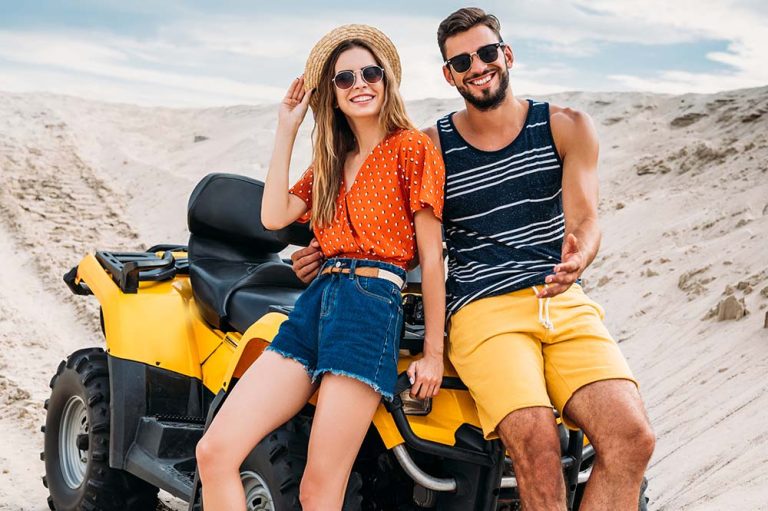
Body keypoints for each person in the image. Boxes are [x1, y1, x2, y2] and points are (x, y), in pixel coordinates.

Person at [291, 8, 655, 511]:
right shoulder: (431, 145)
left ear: (506, 54)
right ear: (449, 74)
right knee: (536, 444)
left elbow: (586, 220)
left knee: (632, 439)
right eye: (461, 61)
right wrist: (324, 254)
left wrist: (581, 255)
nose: (477, 67)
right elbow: (379, 219)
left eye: (486, 53)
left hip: (563, 302)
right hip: (484, 311)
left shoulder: (566, 127)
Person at [195, 25, 446, 511]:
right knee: (215, 451)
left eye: (370, 72)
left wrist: (433, 353)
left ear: (388, 79)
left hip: (369, 310)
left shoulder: (411, 148)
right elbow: (272, 217)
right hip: (314, 305)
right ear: (330, 93)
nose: (359, 84)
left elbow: (430, 258)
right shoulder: (331, 162)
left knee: (318, 491)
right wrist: (287, 127)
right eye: (344, 77)